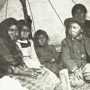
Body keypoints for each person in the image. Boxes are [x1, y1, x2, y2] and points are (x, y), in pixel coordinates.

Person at [2, 19, 59, 90]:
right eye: (11, 30)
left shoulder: (12, 44)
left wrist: (34, 68)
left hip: (23, 68)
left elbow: (31, 57)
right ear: (4, 30)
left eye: (16, 31)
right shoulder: (2, 43)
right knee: (42, 86)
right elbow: (9, 63)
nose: (14, 33)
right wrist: (26, 72)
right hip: (9, 73)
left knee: (49, 79)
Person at [61, 17, 90, 87]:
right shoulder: (66, 42)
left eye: (74, 28)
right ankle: (80, 78)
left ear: (82, 30)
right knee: (76, 83)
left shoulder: (87, 40)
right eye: (70, 28)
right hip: (73, 68)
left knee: (89, 69)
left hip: (85, 65)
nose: (71, 30)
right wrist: (75, 70)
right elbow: (66, 58)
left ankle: (86, 77)